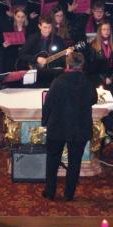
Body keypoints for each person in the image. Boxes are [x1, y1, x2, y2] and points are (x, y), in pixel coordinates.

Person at [41, 52, 97, 201]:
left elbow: (48, 103)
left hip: (58, 125)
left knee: (52, 159)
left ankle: (50, 191)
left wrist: (44, 121)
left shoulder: (58, 81)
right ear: (82, 65)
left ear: (67, 64)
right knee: (75, 161)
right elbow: (93, 99)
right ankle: (69, 193)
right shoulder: (87, 81)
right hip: (80, 127)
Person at [88, 21, 113, 134]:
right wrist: (104, 78)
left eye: (108, 29)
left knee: (111, 101)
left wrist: (111, 77)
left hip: (112, 79)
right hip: (98, 79)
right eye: (104, 29)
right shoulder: (93, 46)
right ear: (99, 31)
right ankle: (99, 126)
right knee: (100, 102)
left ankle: (109, 127)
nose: (106, 32)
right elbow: (92, 66)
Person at [0, 8, 29, 72]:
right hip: (10, 56)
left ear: (25, 17)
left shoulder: (29, 28)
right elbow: (0, 44)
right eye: (18, 16)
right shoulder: (7, 27)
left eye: (22, 17)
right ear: (14, 16)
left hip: (24, 58)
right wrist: (4, 45)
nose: (20, 19)